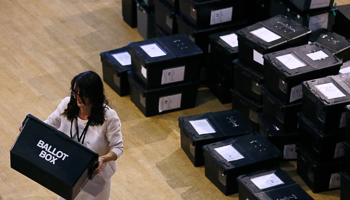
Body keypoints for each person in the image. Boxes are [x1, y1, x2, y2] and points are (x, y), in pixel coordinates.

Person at [21, 71, 124, 200]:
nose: (77, 98)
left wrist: (102, 159)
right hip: (66, 170)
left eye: (82, 94)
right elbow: (49, 125)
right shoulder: (67, 104)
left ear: (94, 94)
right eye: (74, 93)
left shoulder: (109, 117)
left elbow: (117, 148)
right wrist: (30, 128)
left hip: (93, 178)